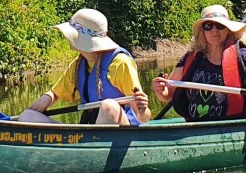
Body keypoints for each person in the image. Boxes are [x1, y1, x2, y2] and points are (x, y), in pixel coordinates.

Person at [151, 5, 246, 121]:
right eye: (208, 26)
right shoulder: (191, 57)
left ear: (228, 30)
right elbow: (167, 94)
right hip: (195, 125)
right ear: (202, 31)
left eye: (220, 26)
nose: (214, 30)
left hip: (232, 126)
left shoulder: (243, 56)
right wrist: (160, 90)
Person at [19, 8, 151, 125]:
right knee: (27, 116)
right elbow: (56, 93)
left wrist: (143, 109)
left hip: (123, 130)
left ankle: (91, 145)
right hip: (89, 128)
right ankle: (76, 144)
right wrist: (46, 99)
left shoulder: (120, 63)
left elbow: (144, 118)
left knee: (109, 106)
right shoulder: (78, 65)